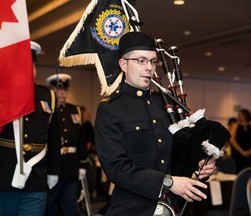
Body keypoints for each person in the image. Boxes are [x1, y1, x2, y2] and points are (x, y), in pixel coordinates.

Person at [94, 31, 216, 216]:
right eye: (141, 61)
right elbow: (116, 167)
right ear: (123, 64)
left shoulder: (167, 104)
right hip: (133, 209)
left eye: (152, 61)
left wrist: (200, 163)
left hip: (176, 206)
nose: (149, 67)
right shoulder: (111, 109)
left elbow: (180, 151)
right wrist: (168, 183)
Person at [0, 41, 61, 216]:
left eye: (31, 64)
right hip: (4, 178)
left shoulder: (47, 95)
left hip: (36, 180)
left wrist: (54, 171)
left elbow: (54, 139)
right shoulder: (2, 93)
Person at [46, 73, 87, 216]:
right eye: (59, 89)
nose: (63, 93)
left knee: (70, 208)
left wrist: (82, 164)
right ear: (51, 89)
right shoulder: (47, 110)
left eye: (65, 89)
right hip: (52, 166)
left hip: (71, 167)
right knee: (49, 206)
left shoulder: (75, 111)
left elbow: (81, 139)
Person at [229, 108, 251, 173]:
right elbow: (232, 140)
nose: (239, 116)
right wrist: (242, 151)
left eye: (241, 114)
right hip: (237, 154)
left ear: (246, 115)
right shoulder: (235, 126)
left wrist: (250, 151)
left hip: (249, 155)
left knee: (248, 171)